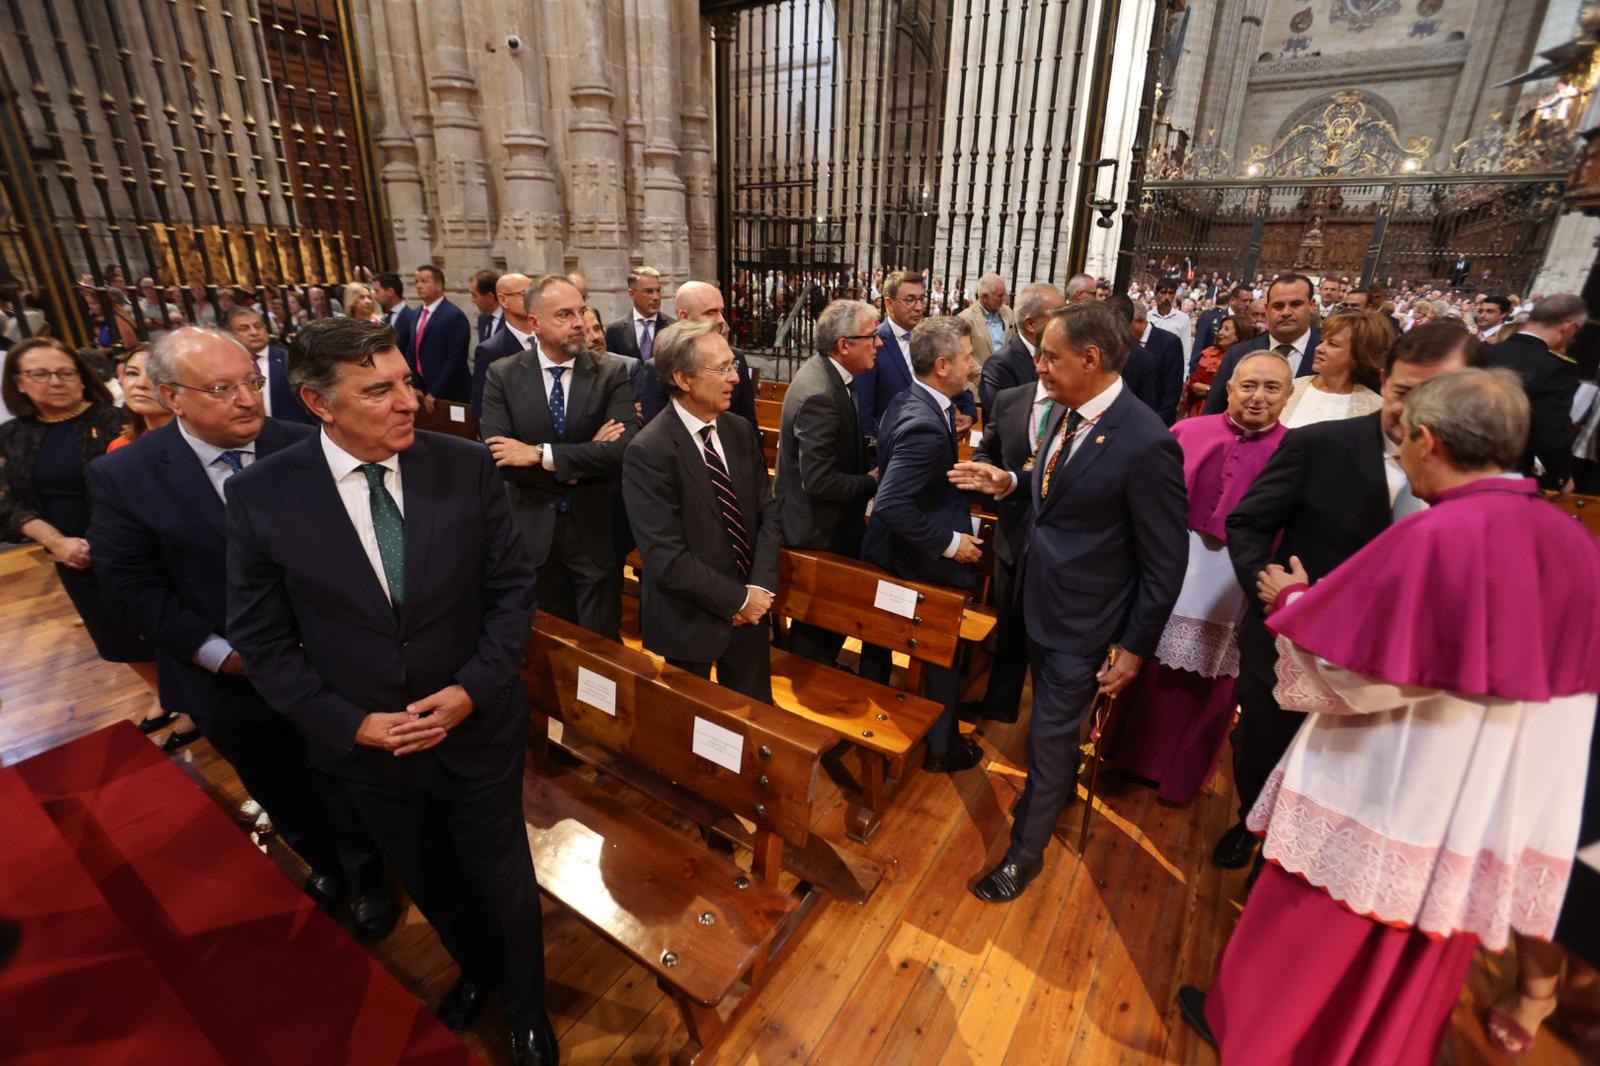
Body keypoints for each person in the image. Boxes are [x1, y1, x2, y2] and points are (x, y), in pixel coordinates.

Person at [1180, 368, 1600, 1065]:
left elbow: (1363, 677)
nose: (1400, 456)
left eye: (1403, 442)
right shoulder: (1575, 546)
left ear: (1430, 441)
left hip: (1391, 789)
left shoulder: (1438, 538)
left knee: (1309, 932)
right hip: (1482, 800)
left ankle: (1263, 1041)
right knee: (1414, 956)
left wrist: (1292, 604)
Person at [224, 317, 554, 1064]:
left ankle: (529, 1012)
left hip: (477, 727)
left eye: (406, 380)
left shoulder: (464, 467)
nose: (410, 400)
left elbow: (512, 593)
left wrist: (472, 688)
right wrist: (349, 724)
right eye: (380, 390)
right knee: (429, 876)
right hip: (368, 745)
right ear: (319, 403)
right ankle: (474, 970)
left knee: (502, 876)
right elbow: (264, 641)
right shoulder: (262, 496)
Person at [87, 326, 397, 939]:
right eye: (222, 388)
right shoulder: (126, 476)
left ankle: (369, 877)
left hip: (323, 664)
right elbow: (132, 589)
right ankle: (324, 863)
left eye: (253, 382)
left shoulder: (307, 445)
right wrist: (224, 656)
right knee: (274, 780)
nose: (248, 399)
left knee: (339, 774)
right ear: (172, 397)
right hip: (224, 674)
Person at [1211, 321, 1483, 872]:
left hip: (1388, 671)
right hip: (1289, 648)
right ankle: (1249, 820)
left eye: (1439, 394)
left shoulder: (1474, 470)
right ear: (1384, 379)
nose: (1418, 412)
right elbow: (1249, 522)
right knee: (1262, 752)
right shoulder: (1319, 444)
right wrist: (1270, 592)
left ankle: (1290, 863)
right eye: (1406, 392)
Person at [950, 301, 1187, 902]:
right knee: (1044, 731)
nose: (1041, 366)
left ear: (1092, 358)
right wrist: (1010, 481)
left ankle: (1024, 853)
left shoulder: (1146, 440)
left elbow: (1166, 561)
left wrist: (1134, 646)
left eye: (1051, 356)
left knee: (1052, 737)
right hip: (1035, 594)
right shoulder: (1067, 410)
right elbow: (1056, 481)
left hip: (1085, 619)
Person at [1099, 352, 1292, 804]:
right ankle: (1117, 752)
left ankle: (1178, 774)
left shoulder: (1294, 450)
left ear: (1288, 396)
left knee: (1211, 676)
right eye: (1248, 386)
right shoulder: (1187, 431)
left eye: (1271, 388)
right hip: (1173, 561)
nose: (1258, 397)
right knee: (1145, 657)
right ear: (1229, 387)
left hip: (1238, 579)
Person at [0, 339, 164, 734]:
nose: (54, 381)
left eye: (65, 372)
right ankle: (162, 693)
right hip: (67, 551)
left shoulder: (113, 419)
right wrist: (57, 542)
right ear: (19, 382)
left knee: (157, 623)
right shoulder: (11, 435)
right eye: (40, 373)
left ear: (81, 376)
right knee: (114, 634)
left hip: (128, 546)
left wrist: (103, 542)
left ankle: (190, 696)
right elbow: (6, 500)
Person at [622, 318, 779, 702]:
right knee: (689, 740)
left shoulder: (739, 430)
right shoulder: (650, 450)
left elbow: (769, 515)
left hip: (751, 616)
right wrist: (736, 600)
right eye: (722, 369)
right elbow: (666, 557)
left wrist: (757, 589)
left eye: (734, 365)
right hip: (688, 621)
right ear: (684, 378)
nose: (735, 378)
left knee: (753, 724)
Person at [479, 275, 636, 641]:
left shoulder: (610, 372)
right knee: (550, 644)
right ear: (535, 323)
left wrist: (538, 454)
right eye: (565, 314)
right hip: (534, 533)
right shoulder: (502, 375)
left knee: (602, 649)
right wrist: (584, 459)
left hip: (596, 532)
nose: (579, 322)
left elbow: (621, 450)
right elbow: (500, 458)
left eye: (580, 310)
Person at [861, 317, 985, 771]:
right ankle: (941, 749)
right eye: (968, 358)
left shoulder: (908, 399)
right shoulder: (926, 426)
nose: (973, 366)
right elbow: (892, 503)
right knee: (941, 654)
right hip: (916, 556)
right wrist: (952, 543)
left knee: (889, 648)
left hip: (897, 548)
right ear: (942, 364)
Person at [774, 298, 881, 667]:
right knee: (817, 625)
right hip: (818, 531)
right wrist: (870, 481)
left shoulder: (832, 376)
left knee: (824, 623)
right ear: (844, 344)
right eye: (872, 336)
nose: (878, 344)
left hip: (826, 525)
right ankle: (810, 686)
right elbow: (818, 481)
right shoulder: (820, 392)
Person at [854, 270, 976, 438]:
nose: (919, 307)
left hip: (938, 439)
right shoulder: (873, 344)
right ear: (889, 303)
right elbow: (864, 412)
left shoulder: (933, 335)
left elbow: (952, 373)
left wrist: (969, 411)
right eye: (910, 300)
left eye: (921, 299)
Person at [1486, 292, 1587, 490]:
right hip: (1504, 470)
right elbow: (1549, 430)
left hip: (1453, 459)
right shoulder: (1556, 367)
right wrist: (1561, 474)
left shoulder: (1482, 351)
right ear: (1568, 326)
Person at [1204, 274, 1320, 414]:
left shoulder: (1329, 355)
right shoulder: (1238, 354)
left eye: (1296, 304)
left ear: (1312, 305)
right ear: (1267, 309)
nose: (1286, 312)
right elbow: (1214, 412)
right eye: (1278, 306)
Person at [1277, 309, 1387, 428]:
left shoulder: (1375, 408)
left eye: (1332, 344)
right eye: (1322, 341)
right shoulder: (1290, 388)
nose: (1318, 348)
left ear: (1358, 354)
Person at [675, 280, 758, 430]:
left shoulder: (736, 357)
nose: (721, 320)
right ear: (684, 316)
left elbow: (749, 420)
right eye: (711, 312)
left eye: (721, 311)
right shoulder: (662, 366)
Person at [978, 282, 1063, 416]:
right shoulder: (999, 366)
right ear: (1030, 324)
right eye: (1057, 316)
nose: (1064, 322)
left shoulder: (1063, 356)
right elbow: (1005, 421)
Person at [604, 265, 673, 421]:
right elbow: (610, 374)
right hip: (627, 415)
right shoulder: (614, 330)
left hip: (663, 415)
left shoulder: (674, 329)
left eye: (658, 290)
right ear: (632, 294)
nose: (655, 297)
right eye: (648, 291)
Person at [226, 305, 316, 424]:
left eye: (258, 326)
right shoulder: (225, 365)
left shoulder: (292, 360)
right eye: (244, 328)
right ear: (230, 334)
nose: (254, 332)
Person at [469, 272, 533, 424]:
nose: (533, 300)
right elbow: (481, 405)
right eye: (524, 294)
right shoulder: (490, 350)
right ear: (503, 300)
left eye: (534, 294)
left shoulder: (547, 338)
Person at [406, 264, 471, 404]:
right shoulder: (415, 314)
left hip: (450, 391)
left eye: (424, 281)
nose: (418, 286)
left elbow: (456, 358)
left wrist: (435, 392)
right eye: (416, 282)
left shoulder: (453, 315)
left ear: (439, 285)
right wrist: (415, 385)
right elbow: (411, 351)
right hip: (422, 387)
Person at [1182, 314, 1256, 419]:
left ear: (1239, 334)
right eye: (1221, 328)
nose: (1220, 332)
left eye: (1226, 329)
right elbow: (1193, 382)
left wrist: (1210, 391)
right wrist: (1195, 387)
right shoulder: (1209, 353)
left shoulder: (1248, 359)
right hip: (1199, 410)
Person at [107, 344, 173, 451]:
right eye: (132, 373)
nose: (141, 384)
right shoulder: (119, 448)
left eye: (155, 375)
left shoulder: (205, 439)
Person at [956, 273, 1015, 381]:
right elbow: (961, 353)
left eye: (1004, 294)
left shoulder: (1008, 313)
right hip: (978, 383)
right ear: (985, 297)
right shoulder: (965, 318)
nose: (1004, 299)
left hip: (1006, 380)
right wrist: (985, 375)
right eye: (1000, 295)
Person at [1193, 285, 1252, 362]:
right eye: (1244, 301)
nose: (1248, 304)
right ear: (1232, 300)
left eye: (1251, 301)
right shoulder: (1211, 318)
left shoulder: (1249, 322)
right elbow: (1198, 348)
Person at [1147, 278, 1194, 367]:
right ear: (1156, 294)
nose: (1167, 297)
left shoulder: (1183, 319)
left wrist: (1183, 375)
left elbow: (1186, 350)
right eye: (1163, 292)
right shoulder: (1148, 317)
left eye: (1171, 293)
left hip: (1171, 368)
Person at [470, 269, 504, 343]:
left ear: (490, 296)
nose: (472, 300)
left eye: (474, 295)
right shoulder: (482, 318)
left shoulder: (510, 319)